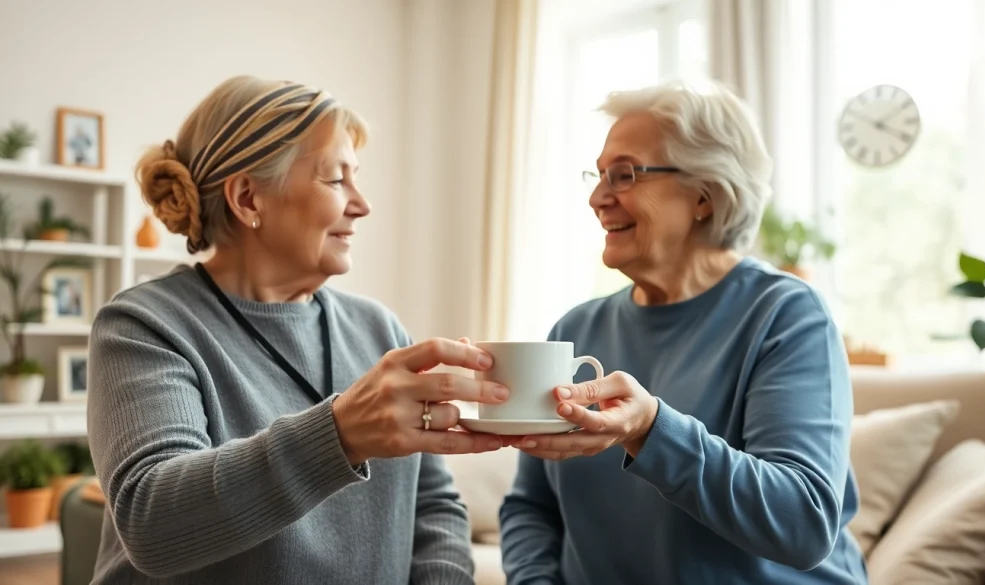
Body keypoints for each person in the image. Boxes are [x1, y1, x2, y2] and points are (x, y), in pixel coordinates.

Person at [86, 75, 510, 585]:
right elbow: (152, 523)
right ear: (248, 199)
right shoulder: (144, 326)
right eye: (336, 180)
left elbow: (434, 506)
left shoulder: (379, 329)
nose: (362, 203)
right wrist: (341, 433)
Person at [498, 81, 868, 584]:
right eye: (598, 175)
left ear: (705, 194)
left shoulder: (785, 314)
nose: (597, 198)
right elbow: (530, 507)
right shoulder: (575, 330)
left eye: (623, 175)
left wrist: (649, 430)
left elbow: (803, 521)